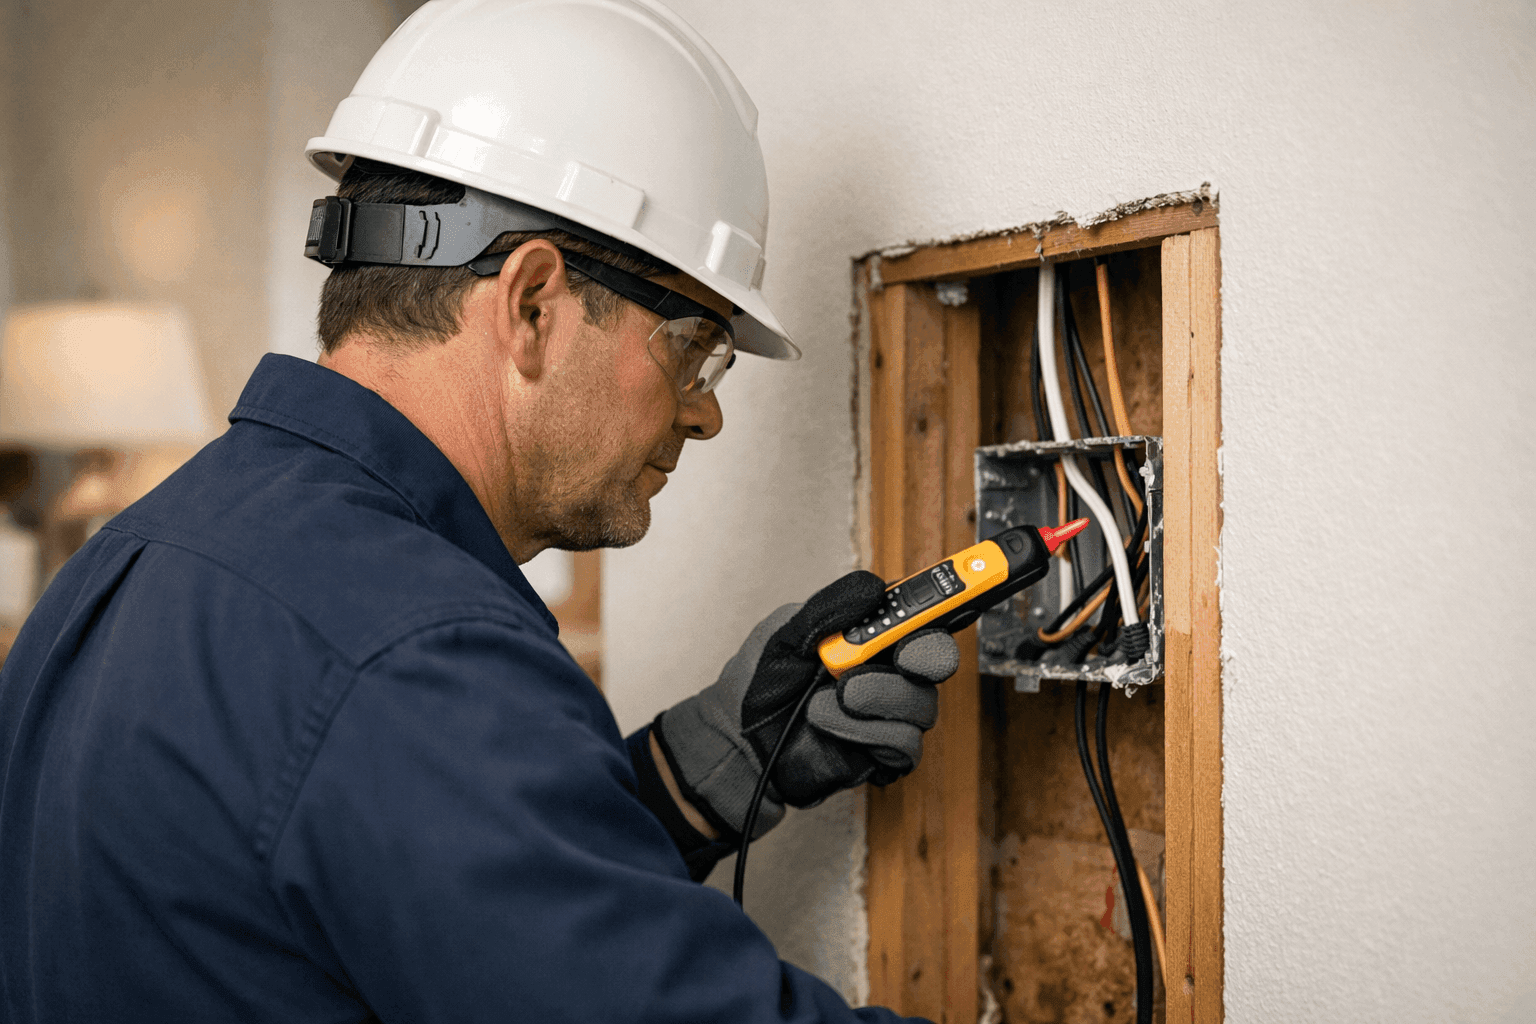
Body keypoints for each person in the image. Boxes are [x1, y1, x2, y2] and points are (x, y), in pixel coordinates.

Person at [0, 2, 959, 1021]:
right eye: (691, 347)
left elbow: (399, 897)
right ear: (535, 303)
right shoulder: (416, 654)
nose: (706, 412)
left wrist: (698, 770)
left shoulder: (135, 557)